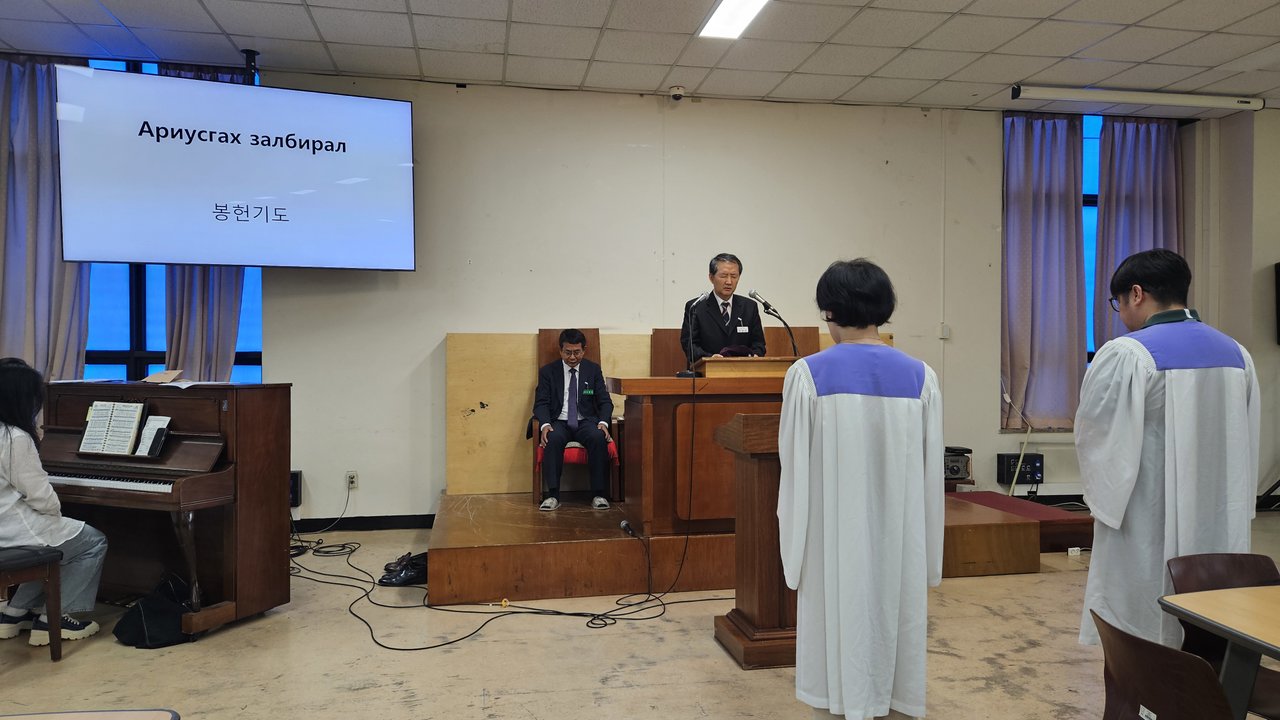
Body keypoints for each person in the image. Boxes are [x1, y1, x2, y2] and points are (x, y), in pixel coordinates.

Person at [777, 260, 944, 720]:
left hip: (832, 540)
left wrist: (794, 554)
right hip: (900, 541)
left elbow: (794, 474)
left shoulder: (807, 375)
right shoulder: (921, 376)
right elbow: (932, 478)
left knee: (838, 632)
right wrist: (930, 559)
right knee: (894, 626)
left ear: (830, 311)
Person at [1075, 249, 1259, 647]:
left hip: (1148, 512)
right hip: (1218, 514)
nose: (1120, 313)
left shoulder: (1128, 353)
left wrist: (1103, 504)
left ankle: (1143, 672)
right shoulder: (1237, 354)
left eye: (1118, 303)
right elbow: (1246, 435)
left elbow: (1097, 434)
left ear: (1136, 294)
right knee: (1211, 612)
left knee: (1143, 610)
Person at [0, 357, 107, 646]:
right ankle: (56, 618)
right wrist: (55, 513)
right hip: (12, 530)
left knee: (59, 542)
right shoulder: (14, 437)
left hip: (5, 526)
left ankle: (14, 613)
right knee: (92, 542)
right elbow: (40, 496)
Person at [532, 329, 614, 512]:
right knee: (552, 438)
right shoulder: (548, 372)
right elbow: (541, 403)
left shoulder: (592, 370)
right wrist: (545, 424)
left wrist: (603, 422)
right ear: (560, 350)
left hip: (585, 421)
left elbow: (605, 401)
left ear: (584, 350)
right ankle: (553, 495)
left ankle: (598, 494)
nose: (572, 357)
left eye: (577, 352)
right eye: (567, 352)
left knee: (597, 437)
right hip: (559, 421)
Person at [679, 253, 766, 369]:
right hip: (707, 372)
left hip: (743, 371)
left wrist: (756, 355)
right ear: (711, 277)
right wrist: (710, 358)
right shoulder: (696, 307)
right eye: (724, 276)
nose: (729, 281)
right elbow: (689, 344)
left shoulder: (749, 307)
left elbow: (758, 343)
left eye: (734, 276)